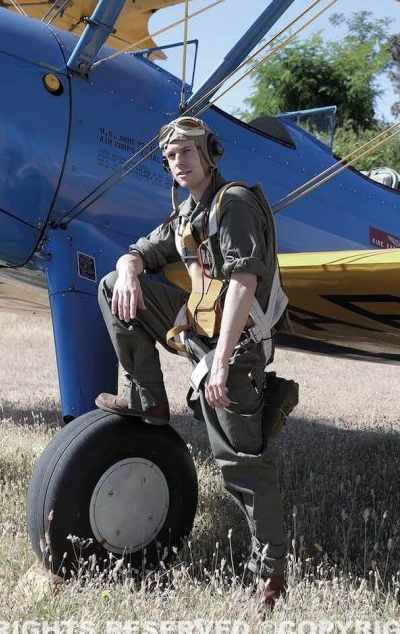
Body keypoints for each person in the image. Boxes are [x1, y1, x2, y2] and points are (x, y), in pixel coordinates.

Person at [95, 116, 295, 610]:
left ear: (209, 153)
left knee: (240, 466)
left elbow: (244, 284)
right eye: (169, 156)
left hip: (236, 347)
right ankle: (147, 399)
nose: (177, 162)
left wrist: (221, 364)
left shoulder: (234, 203)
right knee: (112, 286)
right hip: (201, 333)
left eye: (186, 151)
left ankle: (270, 576)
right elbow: (142, 250)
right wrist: (127, 269)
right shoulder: (188, 213)